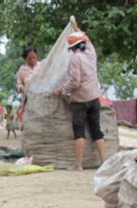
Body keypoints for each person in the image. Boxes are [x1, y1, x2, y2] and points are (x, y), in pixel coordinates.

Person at [52, 31, 107, 171]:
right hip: (95, 97)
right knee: (96, 130)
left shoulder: (75, 59)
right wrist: (77, 28)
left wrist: (61, 90)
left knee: (79, 131)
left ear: (72, 48)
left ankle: (78, 164)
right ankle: (104, 162)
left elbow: (74, 82)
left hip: (80, 100)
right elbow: (87, 39)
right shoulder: (91, 52)